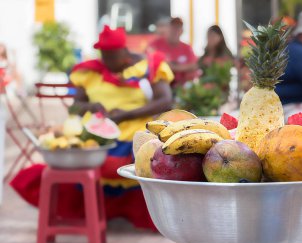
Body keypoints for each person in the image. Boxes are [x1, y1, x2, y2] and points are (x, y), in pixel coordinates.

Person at [10, 25, 174, 231]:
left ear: (124, 52)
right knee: (83, 164)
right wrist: (91, 106)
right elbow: (75, 107)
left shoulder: (150, 66)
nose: (107, 62)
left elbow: (165, 100)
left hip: (138, 134)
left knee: (143, 164)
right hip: (97, 137)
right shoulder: (89, 72)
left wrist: (126, 114)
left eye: (112, 56)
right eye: (104, 56)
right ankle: (91, 213)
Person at [148, 17, 198, 87]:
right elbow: (148, 59)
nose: (175, 31)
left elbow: (194, 65)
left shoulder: (187, 48)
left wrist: (173, 67)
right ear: (168, 29)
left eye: (178, 28)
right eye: (173, 28)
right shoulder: (156, 44)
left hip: (181, 86)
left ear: (181, 31)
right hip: (160, 84)